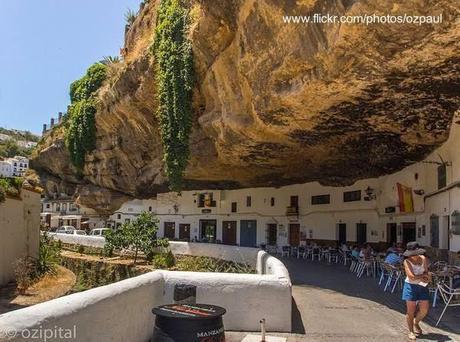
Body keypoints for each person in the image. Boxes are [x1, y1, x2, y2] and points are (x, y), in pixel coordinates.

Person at [402, 242, 431, 340]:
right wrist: (423, 276)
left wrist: (426, 277)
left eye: (416, 253)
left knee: (424, 309)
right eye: (413, 254)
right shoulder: (406, 261)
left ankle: (416, 322)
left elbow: (426, 272)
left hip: (422, 286)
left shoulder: (424, 259)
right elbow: (411, 277)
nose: (415, 256)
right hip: (410, 286)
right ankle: (411, 331)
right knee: (411, 311)